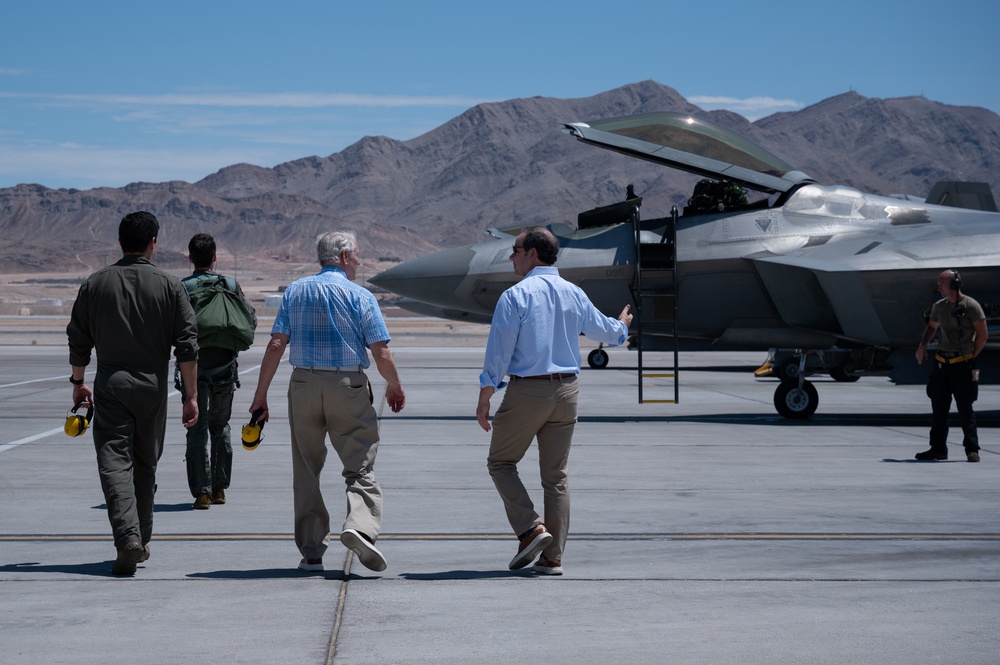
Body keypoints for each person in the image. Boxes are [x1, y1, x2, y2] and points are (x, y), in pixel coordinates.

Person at [477, 227, 632, 575]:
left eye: (515, 250)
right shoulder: (573, 293)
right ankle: (553, 558)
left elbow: (498, 355)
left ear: (531, 253)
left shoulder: (515, 296)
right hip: (568, 391)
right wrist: (622, 326)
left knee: (501, 463)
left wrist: (485, 396)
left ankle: (531, 528)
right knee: (556, 477)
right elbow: (606, 332)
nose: (511, 257)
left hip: (528, 390)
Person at [249, 230, 405, 573]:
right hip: (347, 384)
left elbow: (276, 345)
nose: (360, 262)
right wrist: (394, 386)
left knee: (306, 468)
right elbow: (381, 351)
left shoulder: (295, 291)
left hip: (303, 383)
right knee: (359, 464)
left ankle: (311, 551)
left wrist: (260, 396)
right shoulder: (361, 296)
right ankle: (360, 527)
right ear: (346, 256)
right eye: (358, 255)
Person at [67, 211, 199, 576]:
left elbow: (78, 338)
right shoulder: (171, 285)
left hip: (110, 386)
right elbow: (187, 346)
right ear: (153, 243)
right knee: (145, 463)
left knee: (114, 462)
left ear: (121, 242)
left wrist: (78, 383)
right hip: (153, 390)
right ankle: (140, 536)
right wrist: (191, 396)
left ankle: (129, 538)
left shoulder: (96, 283)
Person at [180, 233, 257, 509]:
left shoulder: (183, 287)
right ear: (215, 258)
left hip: (193, 370)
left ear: (191, 258)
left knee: (196, 428)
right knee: (220, 425)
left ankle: (202, 493)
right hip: (225, 368)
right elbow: (250, 319)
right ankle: (220, 487)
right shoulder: (231, 284)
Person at [915, 269, 988, 462]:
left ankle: (972, 450)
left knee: (965, 409)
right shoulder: (939, 306)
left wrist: (970, 356)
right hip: (941, 365)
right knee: (939, 409)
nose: (938, 287)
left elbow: (983, 335)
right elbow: (931, 327)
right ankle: (938, 449)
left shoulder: (971, 306)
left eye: (942, 284)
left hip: (961, 366)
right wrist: (922, 345)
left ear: (955, 285)